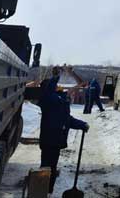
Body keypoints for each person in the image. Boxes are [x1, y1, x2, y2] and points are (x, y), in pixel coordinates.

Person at [38, 67, 89, 195]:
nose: (58, 87)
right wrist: (55, 77)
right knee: (46, 169)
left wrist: (82, 125)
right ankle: (41, 192)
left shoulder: (60, 100)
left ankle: (48, 192)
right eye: (56, 86)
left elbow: (67, 119)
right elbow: (49, 91)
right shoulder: (48, 100)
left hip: (57, 141)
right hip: (49, 140)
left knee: (52, 169)